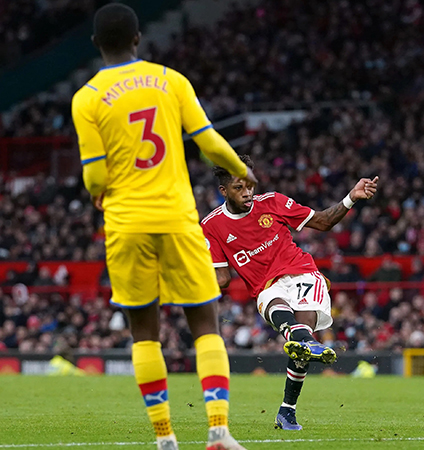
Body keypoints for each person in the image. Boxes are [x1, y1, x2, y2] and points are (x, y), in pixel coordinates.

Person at [71, 5, 257, 450]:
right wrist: (241, 172)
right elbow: (208, 141)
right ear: (138, 39)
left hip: (126, 222)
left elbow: (94, 176)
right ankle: (217, 430)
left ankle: (165, 438)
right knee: (205, 324)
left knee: (144, 333)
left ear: (97, 44)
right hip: (176, 217)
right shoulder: (171, 81)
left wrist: (100, 194)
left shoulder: (87, 97)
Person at [201, 155, 378, 431]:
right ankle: (303, 344)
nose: (247, 192)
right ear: (223, 191)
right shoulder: (211, 226)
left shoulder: (272, 202)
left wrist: (351, 198)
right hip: (267, 287)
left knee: (301, 344)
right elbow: (222, 278)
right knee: (283, 313)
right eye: (239, 188)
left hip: (304, 272)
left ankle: (287, 411)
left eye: (249, 185)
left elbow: (322, 222)